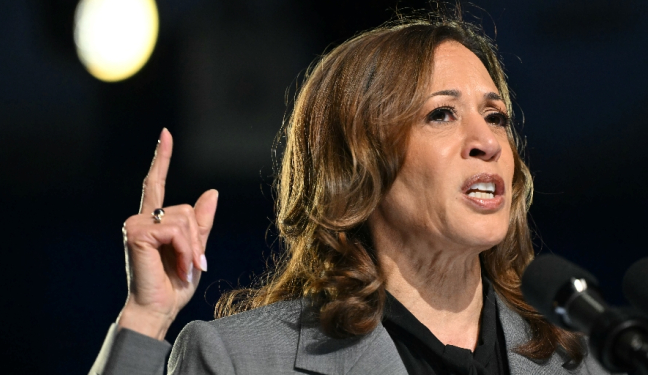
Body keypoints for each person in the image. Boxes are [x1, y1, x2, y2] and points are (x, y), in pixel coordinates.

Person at [90, 11, 615, 375]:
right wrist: (144, 317)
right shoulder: (242, 360)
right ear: (357, 162)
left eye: (496, 116)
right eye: (441, 114)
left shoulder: (581, 360)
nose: (486, 142)